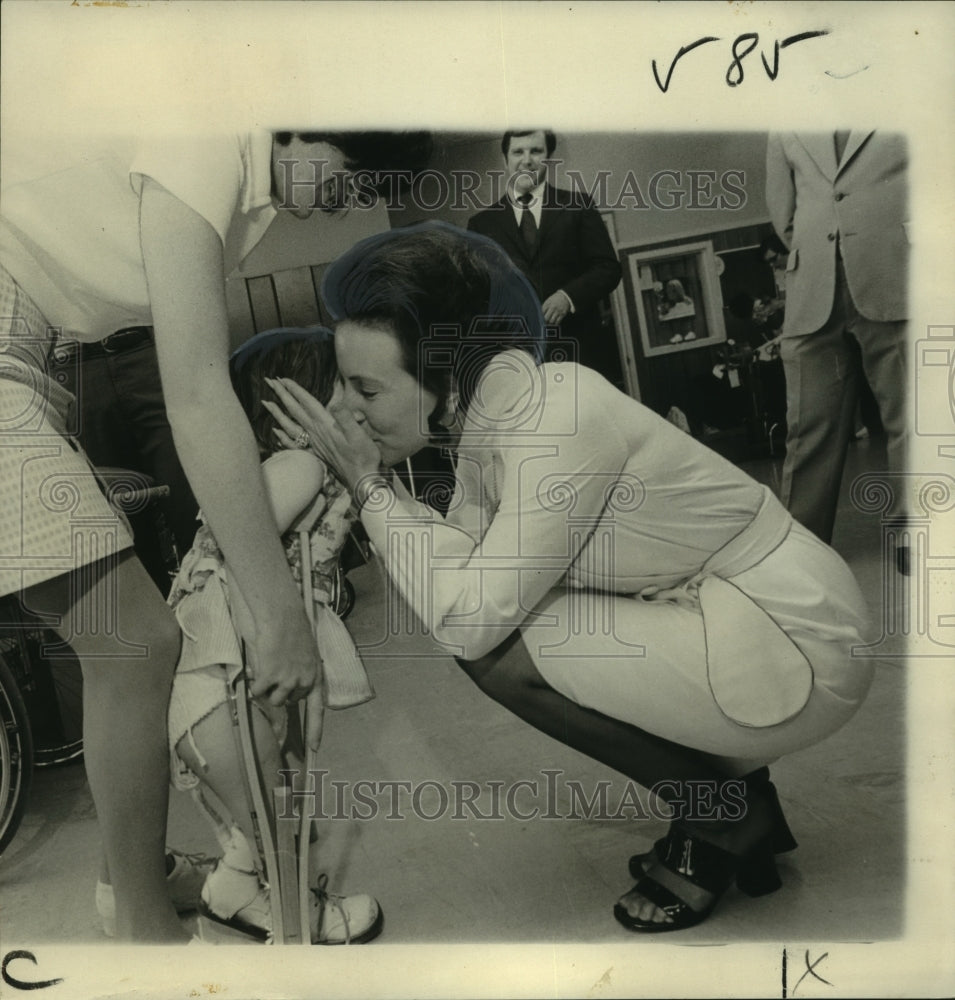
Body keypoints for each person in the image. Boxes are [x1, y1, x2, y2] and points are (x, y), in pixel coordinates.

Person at [265, 222, 874, 934]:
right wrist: (377, 493)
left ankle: (722, 813)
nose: (349, 409)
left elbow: (466, 618)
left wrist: (369, 487)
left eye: (366, 386)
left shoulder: (553, 418)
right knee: (499, 622)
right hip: (721, 614)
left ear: (439, 371)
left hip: (795, 630)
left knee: (497, 649)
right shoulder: (490, 413)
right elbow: (456, 566)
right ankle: (735, 802)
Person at [0, 126, 429, 941]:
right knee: (136, 643)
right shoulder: (203, 136)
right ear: (308, 118)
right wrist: (277, 618)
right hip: (8, 336)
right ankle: (143, 934)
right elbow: (197, 395)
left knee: (134, 645)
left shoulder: (235, 177)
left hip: (30, 346)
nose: (359, 194)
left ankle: (131, 883)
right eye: (355, 168)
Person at [163, 327, 380, 945]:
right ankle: (296, 923)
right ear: (291, 406)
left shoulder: (303, 467)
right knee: (278, 815)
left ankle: (234, 888)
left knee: (268, 809)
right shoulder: (298, 466)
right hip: (219, 686)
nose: (354, 400)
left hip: (214, 689)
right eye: (339, 385)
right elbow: (239, 551)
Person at [765, 130, 909, 547]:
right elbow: (783, 213)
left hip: (895, 270)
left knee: (911, 416)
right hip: (813, 283)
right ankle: (802, 552)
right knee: (807, 429)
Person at [467, 129, 623, 383]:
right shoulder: (482, 225)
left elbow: (608, 268)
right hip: (519, 364)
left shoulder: (578, 206)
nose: (526, 160)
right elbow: (475, 293)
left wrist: (568, 296)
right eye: (518, 152)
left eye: (536, 151)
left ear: (549, 159)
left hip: (582, 356)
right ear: (505, 161)